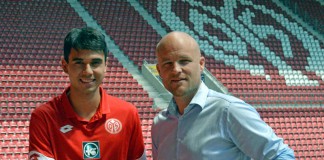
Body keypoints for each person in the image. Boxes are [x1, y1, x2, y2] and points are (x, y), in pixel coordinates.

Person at [151, 31, 295, 160]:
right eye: (168, 64)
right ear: (159, 70)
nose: (176, 70)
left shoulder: (229, 111)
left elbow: (280, 155)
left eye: (184, 61)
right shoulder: (160, 124)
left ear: (201, 64)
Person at [29, 27, 145, 160]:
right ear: (64, 65)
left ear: (106, 65)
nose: (88, 71)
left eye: (95, 63)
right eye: (79, 63)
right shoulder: (44, 118)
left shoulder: (128, 114)